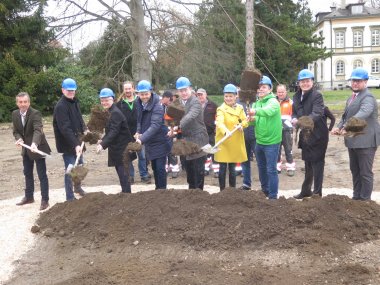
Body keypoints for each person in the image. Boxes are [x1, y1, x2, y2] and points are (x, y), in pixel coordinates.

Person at [331, 68, 380, 200]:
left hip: (366, 141)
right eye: (353, 81)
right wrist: (339, 127)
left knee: (365, 172)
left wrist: (347, 126)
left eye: (358, 81)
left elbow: (363, 113)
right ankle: (356, 197)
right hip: (353, 141)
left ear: (365, 82)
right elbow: (346, 115)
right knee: (355, 170)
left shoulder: (368, 97)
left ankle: (365, 200)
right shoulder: (351, 97)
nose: (355, 83)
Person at [291, 69, 329, 199]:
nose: (305, 84)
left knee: (317, 164)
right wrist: (294, 119)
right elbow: (294, 112)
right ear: (299, 83)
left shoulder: (317, 95)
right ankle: (306, 190)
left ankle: (317, 193)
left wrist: (304, 121)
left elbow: (317, 113)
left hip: (318, 134)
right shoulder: (296, 96)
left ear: (312, 82)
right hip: (305, 135)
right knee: (308, 163)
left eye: (307, 81)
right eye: (302, 81)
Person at [12, 92, 51, 210]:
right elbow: (16, 131)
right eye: (20, 102)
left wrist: (34, 143)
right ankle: (29, 197)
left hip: (38, 148)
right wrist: (18, 139)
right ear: (17, 103)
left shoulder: (35, 113)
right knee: (27, 173)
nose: (23, 104)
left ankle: (45, 200)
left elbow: (37, 130)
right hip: (26, 149)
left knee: (41, 175)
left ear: (29, 102)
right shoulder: (14, 114)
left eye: (25, 102)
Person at [53, 78, 87, 201]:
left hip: (78, 140)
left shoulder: (75, 102)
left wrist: (85, 129)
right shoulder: (60, 106)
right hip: (68, 143)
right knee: (70, 169)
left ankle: (77, 188)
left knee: (79, 167)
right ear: (63, 90)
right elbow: (65, 128)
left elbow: (79, 119)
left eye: (73, 90)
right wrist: (75, 145)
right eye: (69, 90)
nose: (71, 92)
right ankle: (70, 197)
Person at [248, 76, 282, 199]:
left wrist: (255, 112)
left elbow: (267, 112)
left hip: (272, 142)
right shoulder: (258, 102)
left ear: (270, 89)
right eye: (259, 87)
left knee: (271, 170)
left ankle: (273, 196)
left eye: (264, 87)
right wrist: (252, 120)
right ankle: (265, 191)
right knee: (261, 168)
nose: (261, 89)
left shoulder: (273, 101)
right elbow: (258, 119)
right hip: (259, 141)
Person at [96, 88, 135, 193]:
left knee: (124, 175)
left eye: (106, 100)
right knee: (121, 173)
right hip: (117, 148)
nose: (104, 102)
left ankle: (127, 195)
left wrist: (103, 145)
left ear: (112, 99)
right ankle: (125, 193)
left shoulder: (115, 113)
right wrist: (102, 140)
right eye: (102, 100)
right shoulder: (110, 111)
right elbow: (110, 130)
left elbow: (114, 131)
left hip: (122, 149)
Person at [135, 80, 172, 189]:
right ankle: (158, 190)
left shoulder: (158, 106)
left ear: (151, 92)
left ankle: (162, 191)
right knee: (155, 167)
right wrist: (138, 131)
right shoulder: (139, 103)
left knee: (160, 168)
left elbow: (155, 126)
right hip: (150, 141)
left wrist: (141, 139)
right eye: (142, 94)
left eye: (146, 94)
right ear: (138, 94)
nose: (144, 96)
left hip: (160, 140)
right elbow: (139, 120)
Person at [176, 76, 209, 190]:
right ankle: (191, 195)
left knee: (198, 171)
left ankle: (199, 196)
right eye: (181, 91)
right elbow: (171, 117)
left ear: (190, 89)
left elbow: (189, 116)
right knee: (189, 171)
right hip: (186, 140)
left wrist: (177, 125)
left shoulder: (196, 102)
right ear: (178, 91)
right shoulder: (178, 102)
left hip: (198, 139)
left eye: (185, 90)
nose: (183, 93)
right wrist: (170, 128)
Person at [116, 81, 151, 184]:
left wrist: (142, 131)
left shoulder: (140, 101)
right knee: (128, 156)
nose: (127, 90)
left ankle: (144, 175)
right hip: (126, 134)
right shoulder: (120, 104)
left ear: (133, 88)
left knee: (142, 156)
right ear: (123, 90)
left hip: (139, 133)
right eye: (125, 89)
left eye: (129, 88)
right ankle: (130, 176)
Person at [214, 84, 248, 191]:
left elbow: (245, 121)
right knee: (222, 168)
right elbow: (220, 122)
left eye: (230, 96)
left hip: (234, 141)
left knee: (233, 168)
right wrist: (225, 131)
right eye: (226, 96)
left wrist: (241, 126)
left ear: (235, 97)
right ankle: (222, 191)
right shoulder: (221, 109)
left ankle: (232, 191)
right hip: (223, 142)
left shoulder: (240, 108)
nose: (228, 98)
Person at [196, 88, 219, 178]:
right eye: (198, 95)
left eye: (201, 94)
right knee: (204, 152)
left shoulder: (213, 105)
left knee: (213, 151)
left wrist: (217, 128)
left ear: (206, 94)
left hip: (211, 132)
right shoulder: (195, 105)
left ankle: (216, 170)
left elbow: (218, 117)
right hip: (200, 133)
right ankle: (205, 169)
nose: (200, 96)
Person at [237, 91, 256, 191]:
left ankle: (265, 185)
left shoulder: (256, 101)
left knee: (261, 162)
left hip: (255, 136)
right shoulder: (238, 102)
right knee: (245, 160)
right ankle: (246, 183)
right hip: (243, 135)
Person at [276, 84, 296, 176]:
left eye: (282, 92)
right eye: (279, 92)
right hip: (275, 129)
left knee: (288, 149)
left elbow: (294, 115)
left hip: (287, 129)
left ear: (286, 92)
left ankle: (290, 167)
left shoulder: (290, 102)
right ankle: (277, 167)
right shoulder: (273, 102)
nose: (280, 94)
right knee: (277, 149)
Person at [161, 90, 181, 178]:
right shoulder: (161, 107)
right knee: (164, 151)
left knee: (172, 151)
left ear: (168, 98)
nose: (162, 99)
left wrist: (173, 131)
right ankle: (166, 168)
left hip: (173, 133)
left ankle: (175, 169)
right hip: (164, 132)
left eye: (163, 97)